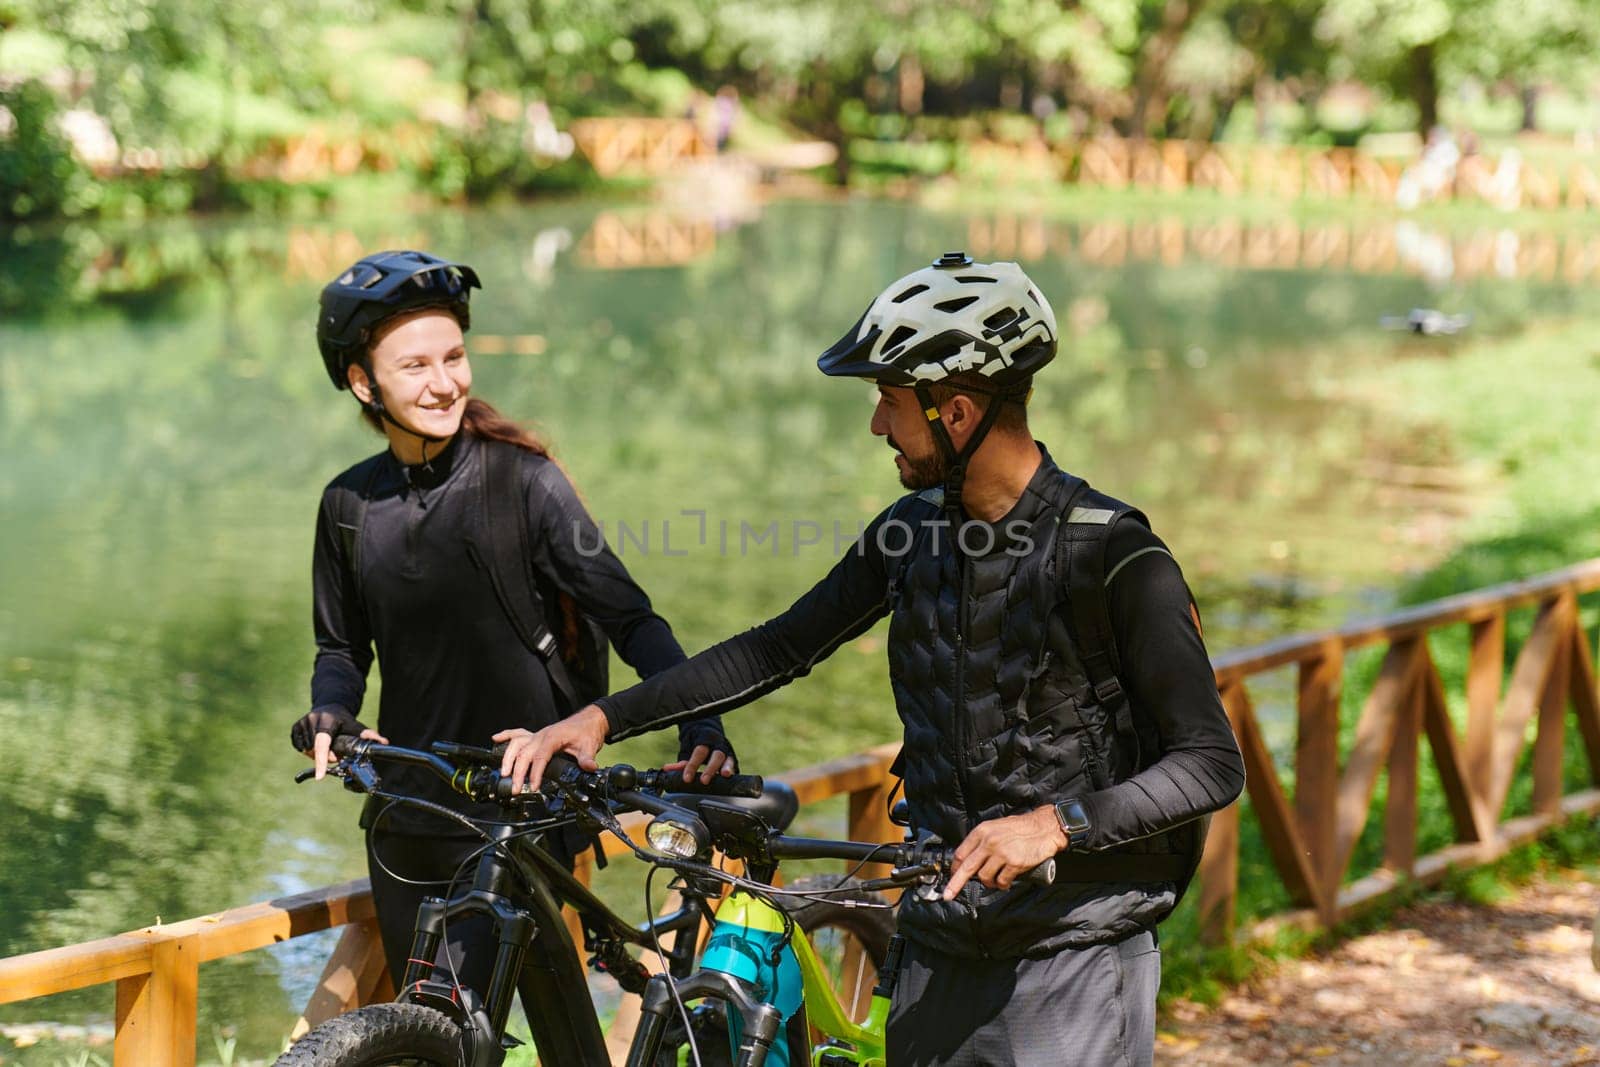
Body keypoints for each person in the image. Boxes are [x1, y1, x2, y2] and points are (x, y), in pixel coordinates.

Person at [497, 253, 1246, 1065]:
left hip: (1074, 956)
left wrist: (1053, 825)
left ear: (956, 411)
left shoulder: (1118, 557)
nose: (877, 426)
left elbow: (1210, 762)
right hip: (939, 942)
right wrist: (603, 717)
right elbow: (778, 646)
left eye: (890, 401)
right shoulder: (911, 532)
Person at [291, 249, 736, 1055]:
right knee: (447, 1036)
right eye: (415, 365)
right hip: (410, 809)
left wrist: (700, 724)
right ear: (365, 384)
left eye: (453, 356)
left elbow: (631, 619)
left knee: (481, 1035)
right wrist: (332, 709)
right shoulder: (349, 506)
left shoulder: (522, 482)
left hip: (524, 812)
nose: (443, 382)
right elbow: (341, 646)